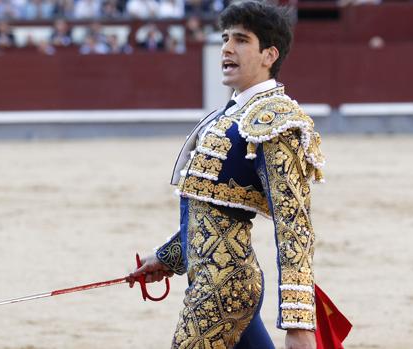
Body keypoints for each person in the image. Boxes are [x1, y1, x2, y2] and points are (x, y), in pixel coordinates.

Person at [128, 1, 325, 348]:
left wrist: (299, 323)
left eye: (242, 40)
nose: (227, 48)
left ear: (269, 55)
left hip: (222, 291)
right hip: (216, 282)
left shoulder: (276, 122)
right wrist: (167, 257)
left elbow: (294, 225)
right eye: (225, 38)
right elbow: (214, 216)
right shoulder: (231, 114)